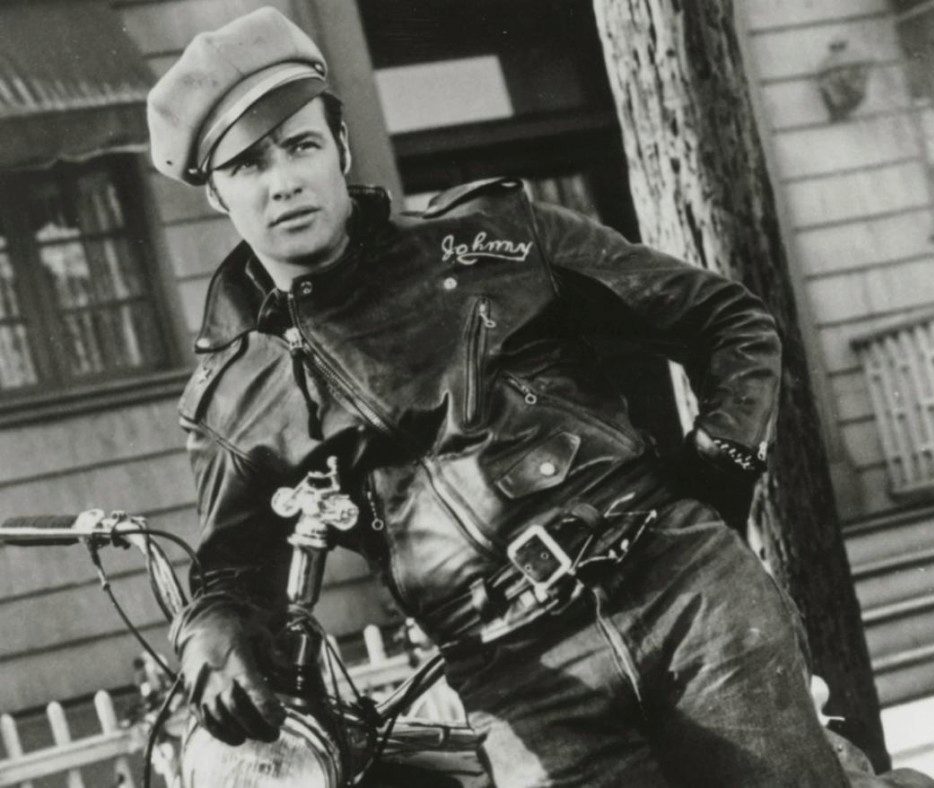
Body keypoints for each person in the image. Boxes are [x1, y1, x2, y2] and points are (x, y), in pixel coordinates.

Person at [146, 8, 856, 787]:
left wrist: (716, 473)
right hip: (521, 678)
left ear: (341, 146)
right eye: (249, 165)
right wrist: (209, 629)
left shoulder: (492, 238)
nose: (283, 181)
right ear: (216, 194)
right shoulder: (235, 399)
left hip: (684, 598)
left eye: (301, 146)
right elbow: (230, 571)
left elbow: (729, 323)